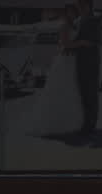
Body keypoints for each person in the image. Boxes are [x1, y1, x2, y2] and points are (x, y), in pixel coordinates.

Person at [29, 4, 84, 137]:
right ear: (66, 13)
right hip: (65, 59)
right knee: (61, 89)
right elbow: (65, 43)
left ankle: (71, 123)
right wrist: (80, 44)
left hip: (73, 60)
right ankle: (56, 124)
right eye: (69, 12)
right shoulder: (64, 26)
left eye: (73, 12)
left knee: (72, 90)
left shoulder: (75, 26)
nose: (71, 14)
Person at [69, 0, 101, 135]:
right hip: (80, 61)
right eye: (78, 6)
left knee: (91, 94)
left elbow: (96, 41)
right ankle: (85, 122)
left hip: (91, 62)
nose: (80, 8)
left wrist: (80, 43)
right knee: (82, 93)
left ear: (88, 5)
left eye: (82, 6)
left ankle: (91, 124)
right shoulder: (78, 21)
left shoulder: (96, 19)